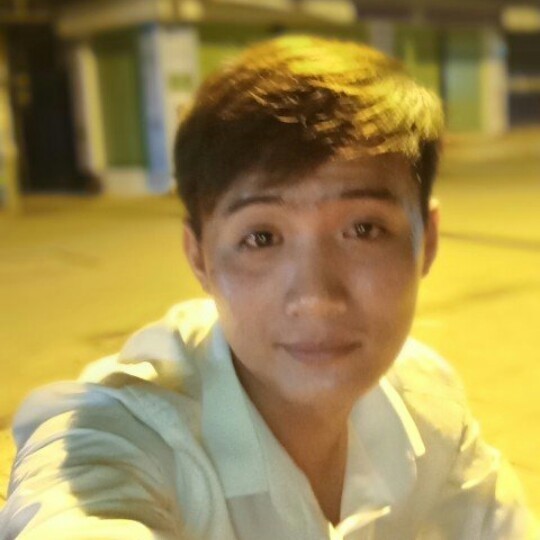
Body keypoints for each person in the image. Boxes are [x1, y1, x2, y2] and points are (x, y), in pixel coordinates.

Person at [0, 35, 537, 540]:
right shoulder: (124, 432)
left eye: (364, 229)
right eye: (261, 238)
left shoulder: (425, 398)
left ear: (428, 241)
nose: (316, 299)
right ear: (199, 257)